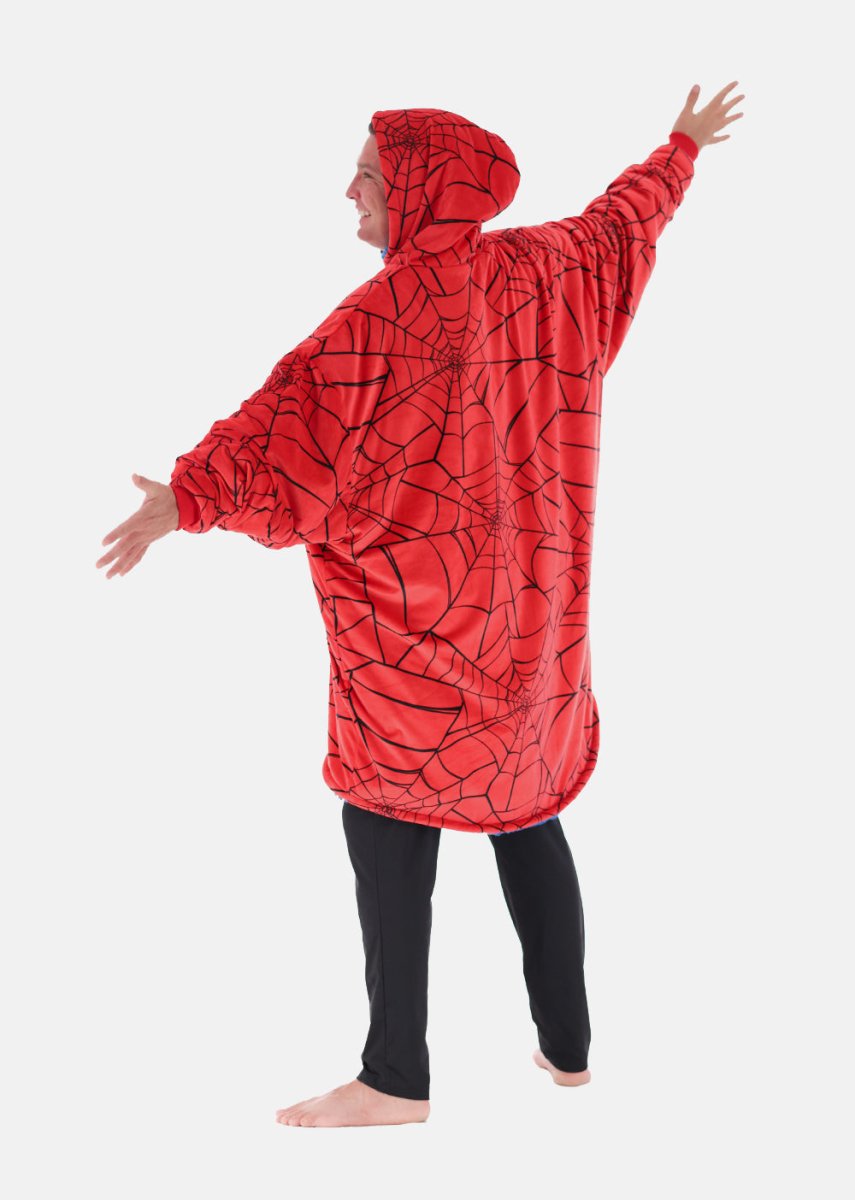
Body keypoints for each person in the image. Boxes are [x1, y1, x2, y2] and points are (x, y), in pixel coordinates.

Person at [95, 83, 745, 1128]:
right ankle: (569, 1053)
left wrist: (187, 499)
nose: (350, 190)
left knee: (388, 829)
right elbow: (620, 226)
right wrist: (680, 149)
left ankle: (395, 1079)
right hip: (530, 650)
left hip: (409, 665)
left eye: (369, 174)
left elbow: (283, 435)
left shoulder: (376, 322)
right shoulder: (544, 271)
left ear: (422, 188)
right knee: (527, 815)